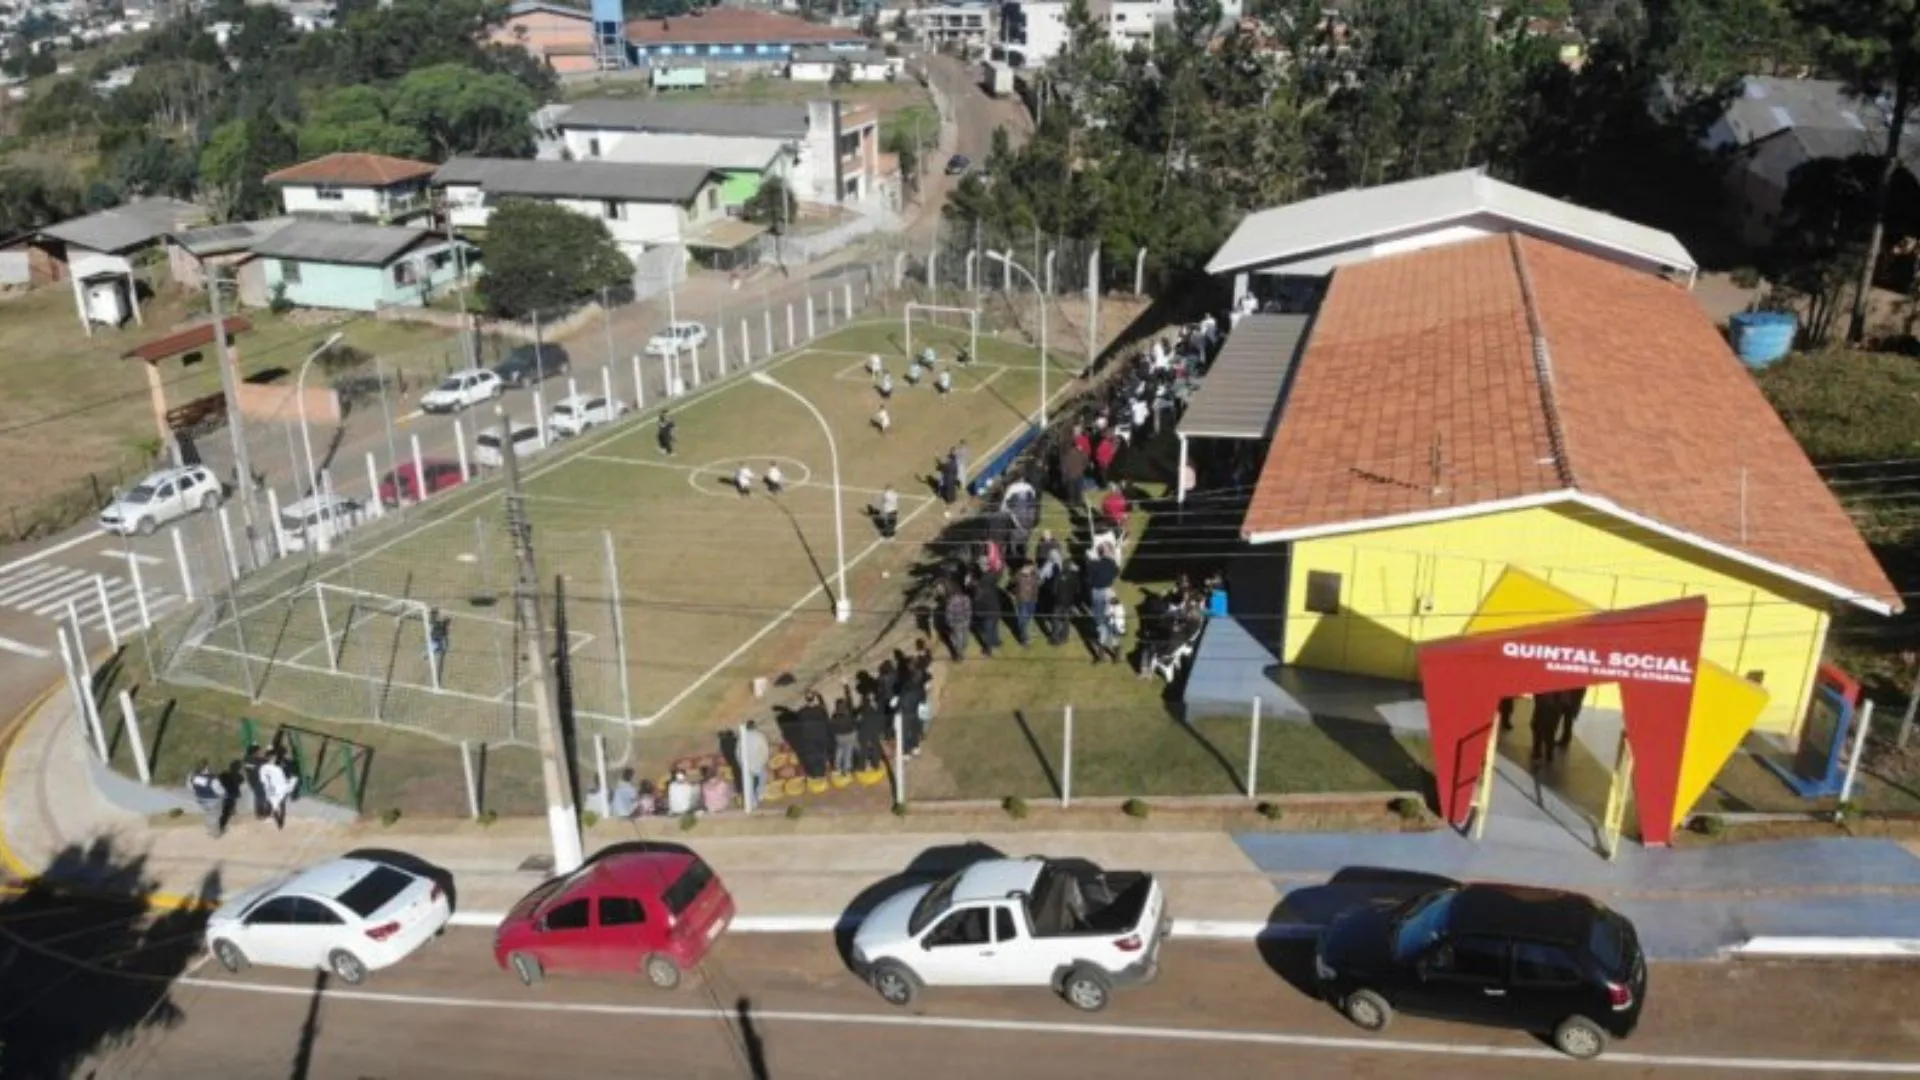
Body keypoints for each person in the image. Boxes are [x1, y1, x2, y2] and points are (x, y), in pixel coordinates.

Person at [188, 759, 226, 838]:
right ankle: (216, 834)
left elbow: (190, 787)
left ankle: (209, 829)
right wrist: (224, 795)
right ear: (206, 767)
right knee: (215, 817)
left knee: (207, 814)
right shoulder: (213, 780)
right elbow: (219, 791)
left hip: (200, 799)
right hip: (213, 800)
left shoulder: (193, 777)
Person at [260, 751, 296, 830]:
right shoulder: (277, 769)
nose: (275, 759)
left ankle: (279, 822)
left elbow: (263, 780)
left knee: (274, 805)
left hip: (269, 790)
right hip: (278, 789)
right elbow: (282, 780)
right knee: (282, 804)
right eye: (274, 758)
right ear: (271, 759)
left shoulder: (263, 768)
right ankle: (281, 822)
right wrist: (290, 782)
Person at [739, 719, 771, 806]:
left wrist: (741, 763)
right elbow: (765, 750)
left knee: (749, 783)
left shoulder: (742, 738)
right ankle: (760, 793)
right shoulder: (760, 736)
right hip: (758, 762)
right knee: (762, 777)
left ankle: (752, 801)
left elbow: (738, 752)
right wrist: (765, 760)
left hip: (746, 764)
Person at [972, 571, 1003, 657]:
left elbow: (979, 603)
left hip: (990, 613)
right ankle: (996, 644)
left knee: (987, 633)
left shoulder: (981, 592)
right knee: (991, 630)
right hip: (994, 611)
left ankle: (988, 651)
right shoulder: (986, 587)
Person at [942, 580, 972, 661]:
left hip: (964, 622)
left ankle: (959, 652)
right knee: (959, 640)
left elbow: (968, 610)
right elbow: (949, 612)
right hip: (956, 623)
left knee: (965, 641)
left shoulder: (965, 599)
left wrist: (968, 619)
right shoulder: (951, 601)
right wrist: (951, 623)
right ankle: (959, 655)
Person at [829, 694, 859, 775]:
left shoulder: (834, 716)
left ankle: (837, 768)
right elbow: (850, 700)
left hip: (839, 737)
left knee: (839, 751)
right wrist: (846, 686)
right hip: (850, 736)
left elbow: (832, 728)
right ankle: (847, 769)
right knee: (848, 752)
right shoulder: (849, 713)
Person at [1012, 561, 1040, 647]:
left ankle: (1026, 633)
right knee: (1022, 621)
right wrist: (1014, 594)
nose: (1035, 568)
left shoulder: (1035, 574)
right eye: (1033, 566)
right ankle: (1026, 640)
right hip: (1022, 601)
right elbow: (1010, 585)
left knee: (1027, 618)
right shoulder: (1018, 575)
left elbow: (1038, 583)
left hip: (1032, 600)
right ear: (1027, 566)